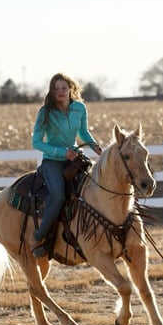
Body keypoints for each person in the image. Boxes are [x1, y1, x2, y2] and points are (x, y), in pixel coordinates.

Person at [31, 72, 102, 257]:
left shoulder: (79, 108)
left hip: (74, 158)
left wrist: (97, 148)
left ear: (71, 89)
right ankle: (39, 237)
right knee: (58, 196)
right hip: (53, 162)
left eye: (64, 88)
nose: (60, 92)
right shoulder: (45, 112)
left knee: (95, 187)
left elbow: (83, 132)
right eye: (56, 89)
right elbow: (37, 142)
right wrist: (62, 152)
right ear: (51, 91)